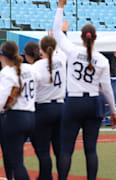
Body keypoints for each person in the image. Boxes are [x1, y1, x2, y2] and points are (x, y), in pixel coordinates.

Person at [53, 1, 116, 179]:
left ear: (81, 37)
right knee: (90, 149)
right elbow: (107, 89)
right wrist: (113, 111)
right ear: (95, 38)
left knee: (66, 149)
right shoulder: (103, 60)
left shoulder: (73, 51)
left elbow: (57, 34)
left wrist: (60, 7)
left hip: (73, 102)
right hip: (92, 103)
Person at [0, 41, 40, 180]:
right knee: (16, 158)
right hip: (31, 115)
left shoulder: (7, 72)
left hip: (15, 117)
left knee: (16, 161)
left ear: (2, 56)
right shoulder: (29, 68)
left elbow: (2, 101)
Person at [31, 35, 67, 180]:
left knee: (43, 150)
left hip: (43, 108)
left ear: (41, 49)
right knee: (60, 150)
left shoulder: (36, 66)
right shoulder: (62, 60)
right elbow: (62, 48)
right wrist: (60, 34)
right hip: (61, 106)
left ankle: (46, 177)